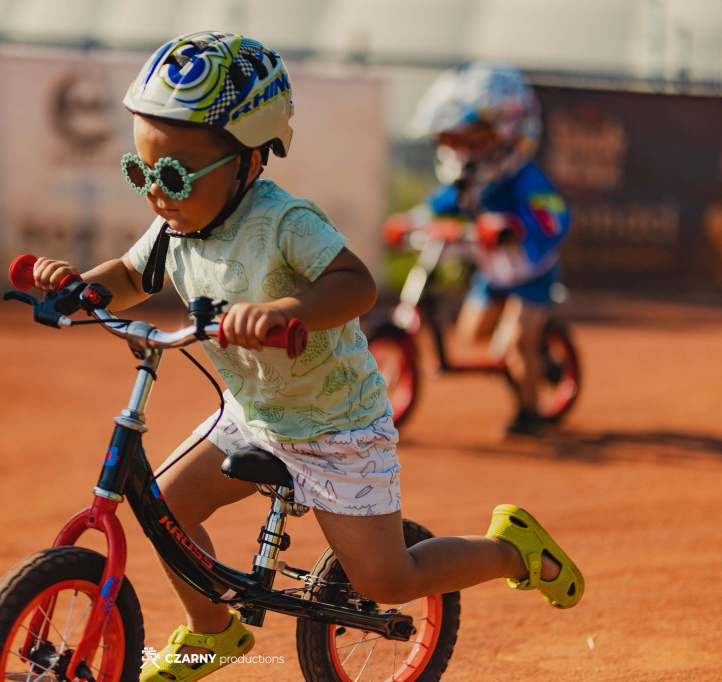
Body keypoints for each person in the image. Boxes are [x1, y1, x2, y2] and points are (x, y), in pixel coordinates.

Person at [29, 33, 583, 682]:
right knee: (165, 510)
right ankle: (215, 631)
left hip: (336, 425)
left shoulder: (286, 222)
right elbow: (132, 270)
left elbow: (357, 285)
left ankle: (511, 551)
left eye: (174, 174)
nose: (156, 192)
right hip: (257, 410)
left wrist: (287, 312)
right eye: (140, 172)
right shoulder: (177, 222)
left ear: (247, 160)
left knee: (385, 576)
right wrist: (81, 290)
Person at [386, 62, 571, 436]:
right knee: (471, 333)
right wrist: (412, 220)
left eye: (470, 139)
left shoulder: (525, 181)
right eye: (452, 140)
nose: (459, 150)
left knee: (516, 342)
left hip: (531, 276)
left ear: (507, 134)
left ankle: (530, 413)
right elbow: (437, 206)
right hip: (492, 274)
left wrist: (514, 227)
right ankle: (525, 355)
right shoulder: (466, 182)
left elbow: (554, 219)